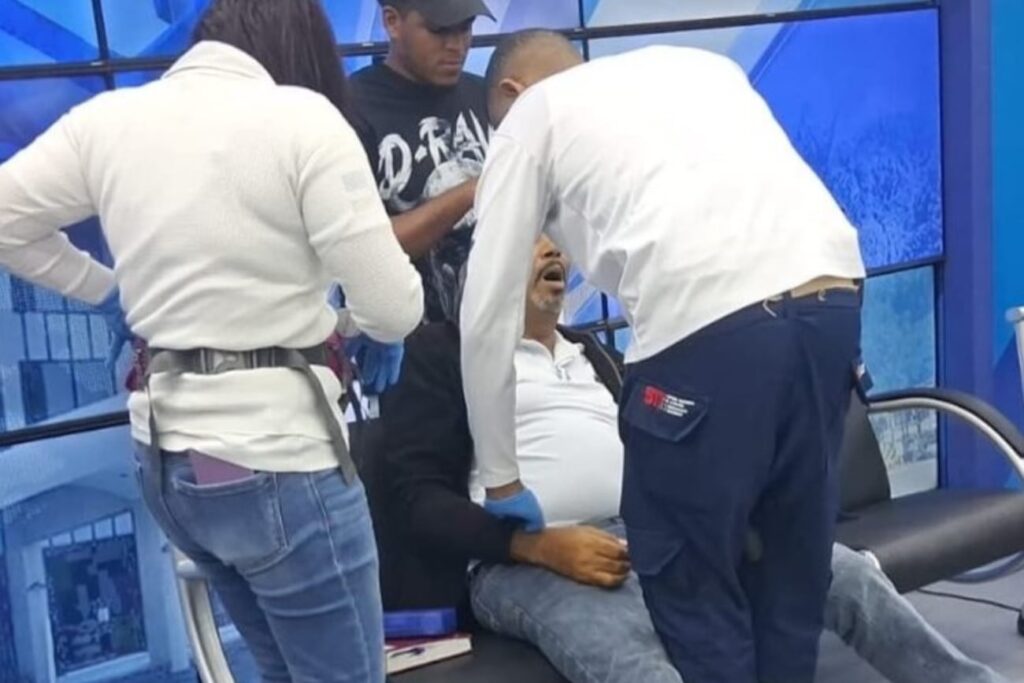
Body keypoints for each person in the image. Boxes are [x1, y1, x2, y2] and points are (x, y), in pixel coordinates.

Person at [0, 1, 423, 681]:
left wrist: (106, 291)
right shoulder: (303, 119)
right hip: (280, 459)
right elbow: (393, 305)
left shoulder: (107, 121)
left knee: (280, 672)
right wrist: (375, 329)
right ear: (302, 49)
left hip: (172, 465)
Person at [375, 236, 1006, 683]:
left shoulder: (592, 352)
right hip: (528, 561)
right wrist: (535, 546)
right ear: (485, 267)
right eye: (532, 239)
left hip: (655, 530)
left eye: (558, 241)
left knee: (844, 574)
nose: (554, 251)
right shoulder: (445, 354)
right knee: (638, 665)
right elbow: (414, 499)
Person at [460, 31, 867, 683]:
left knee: (689, 581)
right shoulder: (700, 68)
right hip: (832, 304)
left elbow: (484, 315)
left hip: (705, 330)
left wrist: (503, 480)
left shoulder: (531, 115)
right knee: (791, 572)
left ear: (512, 91)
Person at [350, 0, 494, 325]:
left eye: (466, 28)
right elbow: (362, 249)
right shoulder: (351, 108)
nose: (457, 45)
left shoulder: (485, 95)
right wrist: (471, 191)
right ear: (392, 22)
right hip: (404, 341)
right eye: (439, 30)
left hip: (500, 335)